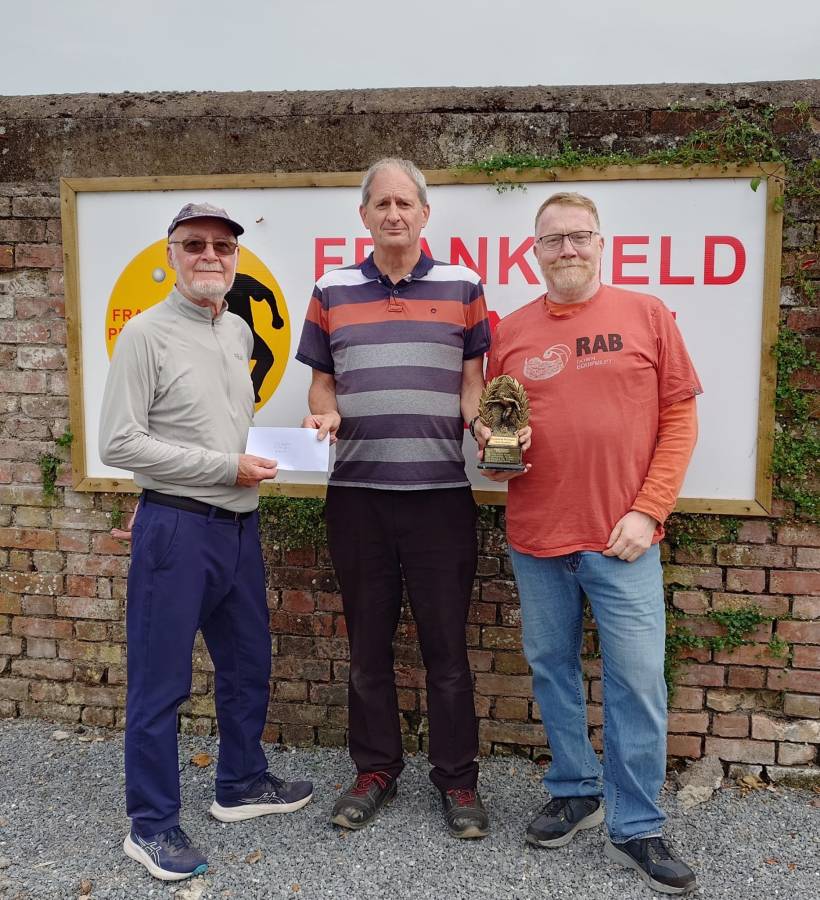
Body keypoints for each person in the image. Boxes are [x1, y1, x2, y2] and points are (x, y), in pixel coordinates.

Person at [483, 192, 701, 894]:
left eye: (579, 236)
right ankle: (575, 789)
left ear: (601, 244)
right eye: (553, 239)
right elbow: (498, 441)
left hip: (622, 541)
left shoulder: (647, 315)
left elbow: (680, 420)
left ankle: (637, 824)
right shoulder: (510, 333)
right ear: (534, 251)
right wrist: (496, 450)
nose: (567, 249)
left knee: (637, 682)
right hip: (537, 538)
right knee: (552, 670)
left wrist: (649, 510)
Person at [298, 158, 517, 839]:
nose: (393, 213)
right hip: (357, 497)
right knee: (367, 647)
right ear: (364, 215)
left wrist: (487, 431)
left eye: (405, 203)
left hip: (440, 497)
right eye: (381, 203)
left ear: (425, 213)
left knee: (446, 651)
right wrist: (323, 414)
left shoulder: (463, 286)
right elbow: (322, 383)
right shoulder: (330, 289)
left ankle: (457, 779)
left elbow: (473, 384)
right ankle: (375, 770)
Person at [99, 202, 313, 882]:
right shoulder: (145, 336)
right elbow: (119, 443)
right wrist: (223, 468)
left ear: (237, 259)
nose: (210, 256)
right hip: (177, 530)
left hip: (239, 526)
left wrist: (301, 441)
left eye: (223, 246)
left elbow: (217, 429)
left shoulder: (238, 330)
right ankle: (151, 825)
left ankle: (241, 783)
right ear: (171, 256)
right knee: (160, 683)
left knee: (248, 664)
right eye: (195, 244)